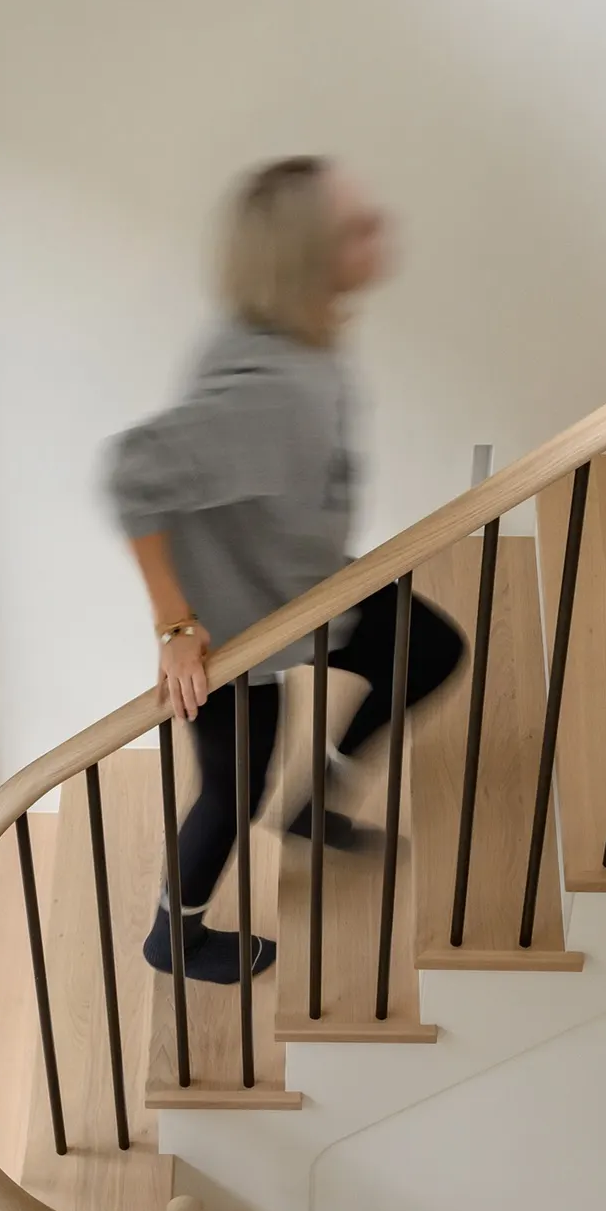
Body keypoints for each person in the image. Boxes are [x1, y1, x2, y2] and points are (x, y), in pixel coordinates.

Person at [106, 157, 464, 983]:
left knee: (429, 651)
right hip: (238, 636)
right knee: (234, 791)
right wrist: (176, 626)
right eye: (358, 227)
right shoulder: (268, 392)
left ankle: (315, 806)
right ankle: (175, 938)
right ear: (310, 255)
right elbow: (133, 476)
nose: (382, 231)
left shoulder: (294, 336)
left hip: (308, 588)